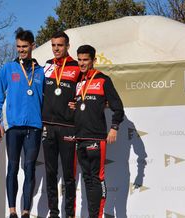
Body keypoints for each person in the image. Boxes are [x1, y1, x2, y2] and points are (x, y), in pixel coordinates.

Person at [0, 27, 44, 218]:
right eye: (18, 47)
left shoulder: (40, 71)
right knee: (12, 167)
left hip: (34, 127)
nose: (21, 50)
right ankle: (12, 210)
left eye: (24, 47)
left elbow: (48, 99)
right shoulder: (8, 69)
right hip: (13, 127)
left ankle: (26, 211)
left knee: (30, 168)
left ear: (32, 46)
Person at [69, 44, 124, 218]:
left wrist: (114, 127)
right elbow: (84, 106)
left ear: (94, 60)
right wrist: (74, 106)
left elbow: (118, 107)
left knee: (97, 179)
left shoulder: (103, 79)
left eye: (86, 60)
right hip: (80, 138)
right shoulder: (79, 82)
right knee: (87, 179)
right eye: (79, 59)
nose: (82, 63)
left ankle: (98, 216)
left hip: (96, 138)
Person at [42, 31, 81, 218]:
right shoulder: (47, 66)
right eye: (53, 45)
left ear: (67, 46)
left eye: (60, 45)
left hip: (67, 126)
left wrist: (79, 103)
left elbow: (86, 92)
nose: (56, 48)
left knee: (68, 174)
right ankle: (54, 213)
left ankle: (69, 213)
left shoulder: (76, 66)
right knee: (50, 172)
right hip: (47, 126)